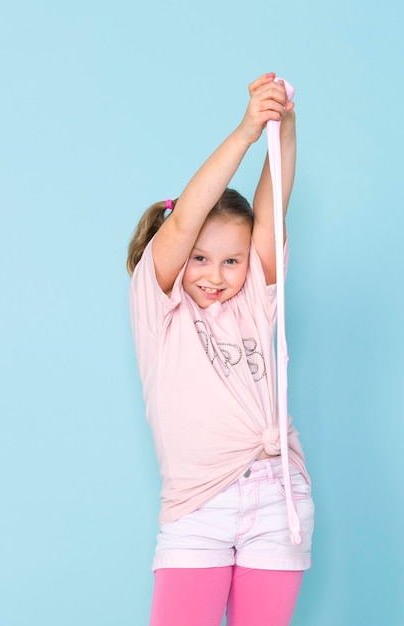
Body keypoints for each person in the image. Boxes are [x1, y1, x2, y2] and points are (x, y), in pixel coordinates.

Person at [127, 73, 314, 626]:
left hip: (277, 499)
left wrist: (283, 123)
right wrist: (244, 132)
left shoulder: (255, 302)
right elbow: (187, 218)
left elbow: (275, 205)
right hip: (198, 507)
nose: (214, 275)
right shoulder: (158, 309)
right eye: (200, 259)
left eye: (231, 261)